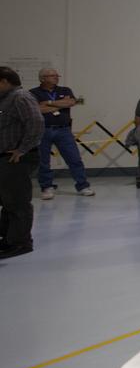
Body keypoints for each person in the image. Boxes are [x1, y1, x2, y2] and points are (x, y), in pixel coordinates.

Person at [0, 66, 43, 259]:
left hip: (17, 158)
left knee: (17, 201)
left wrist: (22, 149)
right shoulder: (5, 99)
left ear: (4, 81)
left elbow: (36, 124)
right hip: (6, 158)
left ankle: (20, 242)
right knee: (7, 200)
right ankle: (8, 238)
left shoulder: (21, 97)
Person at [31, 67, 93, 199]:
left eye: (56, 75)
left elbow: (72, 102)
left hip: (63, 130)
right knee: (43, 160)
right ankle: (46, 187)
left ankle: (83, 186)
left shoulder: (65, 90)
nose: (56, 77)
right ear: (42, 78)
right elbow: (37, 110)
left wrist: (49, 103)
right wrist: (61, 104)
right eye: (52, 75)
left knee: (74, 158)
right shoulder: (33, 93)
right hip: (43, 130)